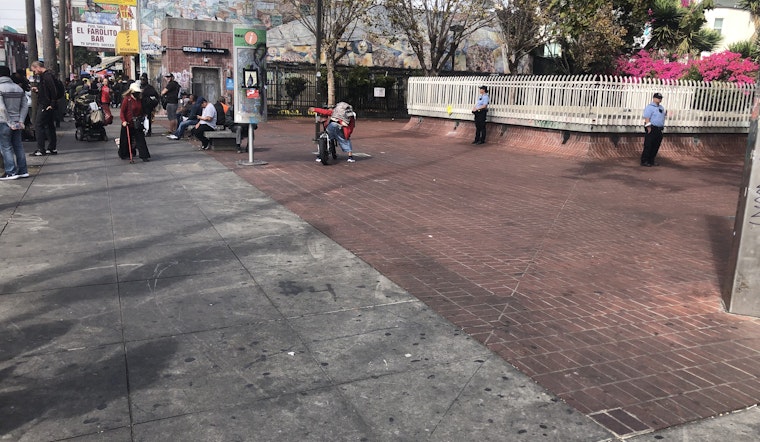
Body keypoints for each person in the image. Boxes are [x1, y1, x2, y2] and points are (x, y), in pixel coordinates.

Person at [0, 65, 30, 180]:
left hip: (3, 122)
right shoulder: (18, 88)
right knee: (18, 146)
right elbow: (24, 106)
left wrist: (9, 122)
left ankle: (11, 172)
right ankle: (23, 170)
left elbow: (1, 108)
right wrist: (21, 120)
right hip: (17, 121)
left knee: (6, 147)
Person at [30, 60, 58, 156]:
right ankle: (51, 148)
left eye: (34, 70)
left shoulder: (46, 76)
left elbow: (53, 90)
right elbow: (50, 90)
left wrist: (52, 103)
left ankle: (41, 148)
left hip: (45, 104)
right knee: (49, 125)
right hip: (48, 103)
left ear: (38, 67)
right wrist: (38, 90)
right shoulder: (48, 75)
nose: (35, 73)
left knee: (38, 125)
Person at [118, 82, 150, 162]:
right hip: (128, 123)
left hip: (137, 122)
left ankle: (144, 155)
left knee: (140, 139)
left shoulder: (139, 100)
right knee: (125, 140)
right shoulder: (127, 99)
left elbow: (141, 110)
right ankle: (125, 154)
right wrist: (124, 121)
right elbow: (122, 112)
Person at [641, 92, 666, 167]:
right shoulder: (650, 107)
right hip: (652, 128)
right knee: (648, 145)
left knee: (656, 145)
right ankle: (644, 160)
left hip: (659, 129)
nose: (659, 99)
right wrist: (648, 128)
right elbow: (647, 118)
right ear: (654, 98)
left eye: (660, 98)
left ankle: (651, 160)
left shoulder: (661, 107)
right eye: (658, 98)